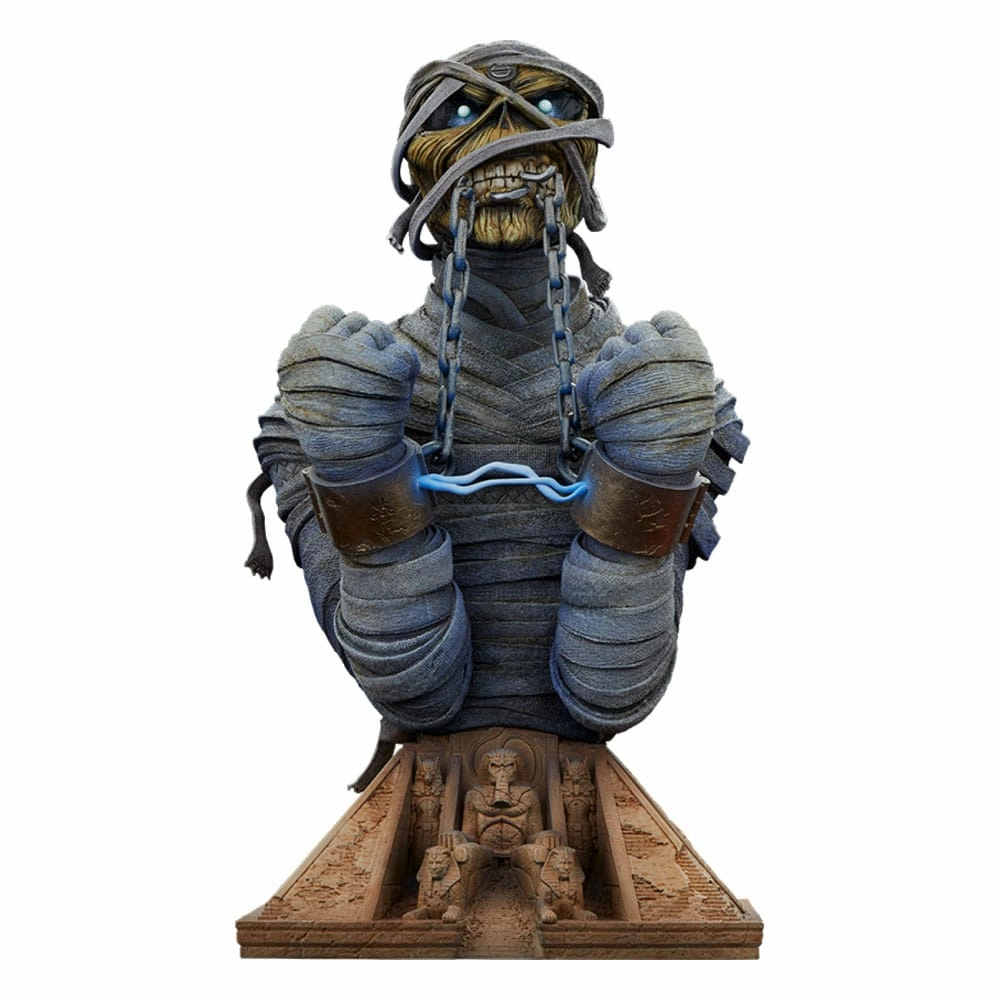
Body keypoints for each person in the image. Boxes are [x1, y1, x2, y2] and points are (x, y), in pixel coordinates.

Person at [249, 42, 747, 774]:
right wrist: (356, 467)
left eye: (546, 109)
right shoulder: (324, 396)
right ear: (416, 164)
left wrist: (651, 470)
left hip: (583, 772)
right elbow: (413, 692)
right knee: (335, 404)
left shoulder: (673, 389)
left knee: (666, 399)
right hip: (432, 773)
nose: (507, 134)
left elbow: (610, 693)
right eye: (459, 114)